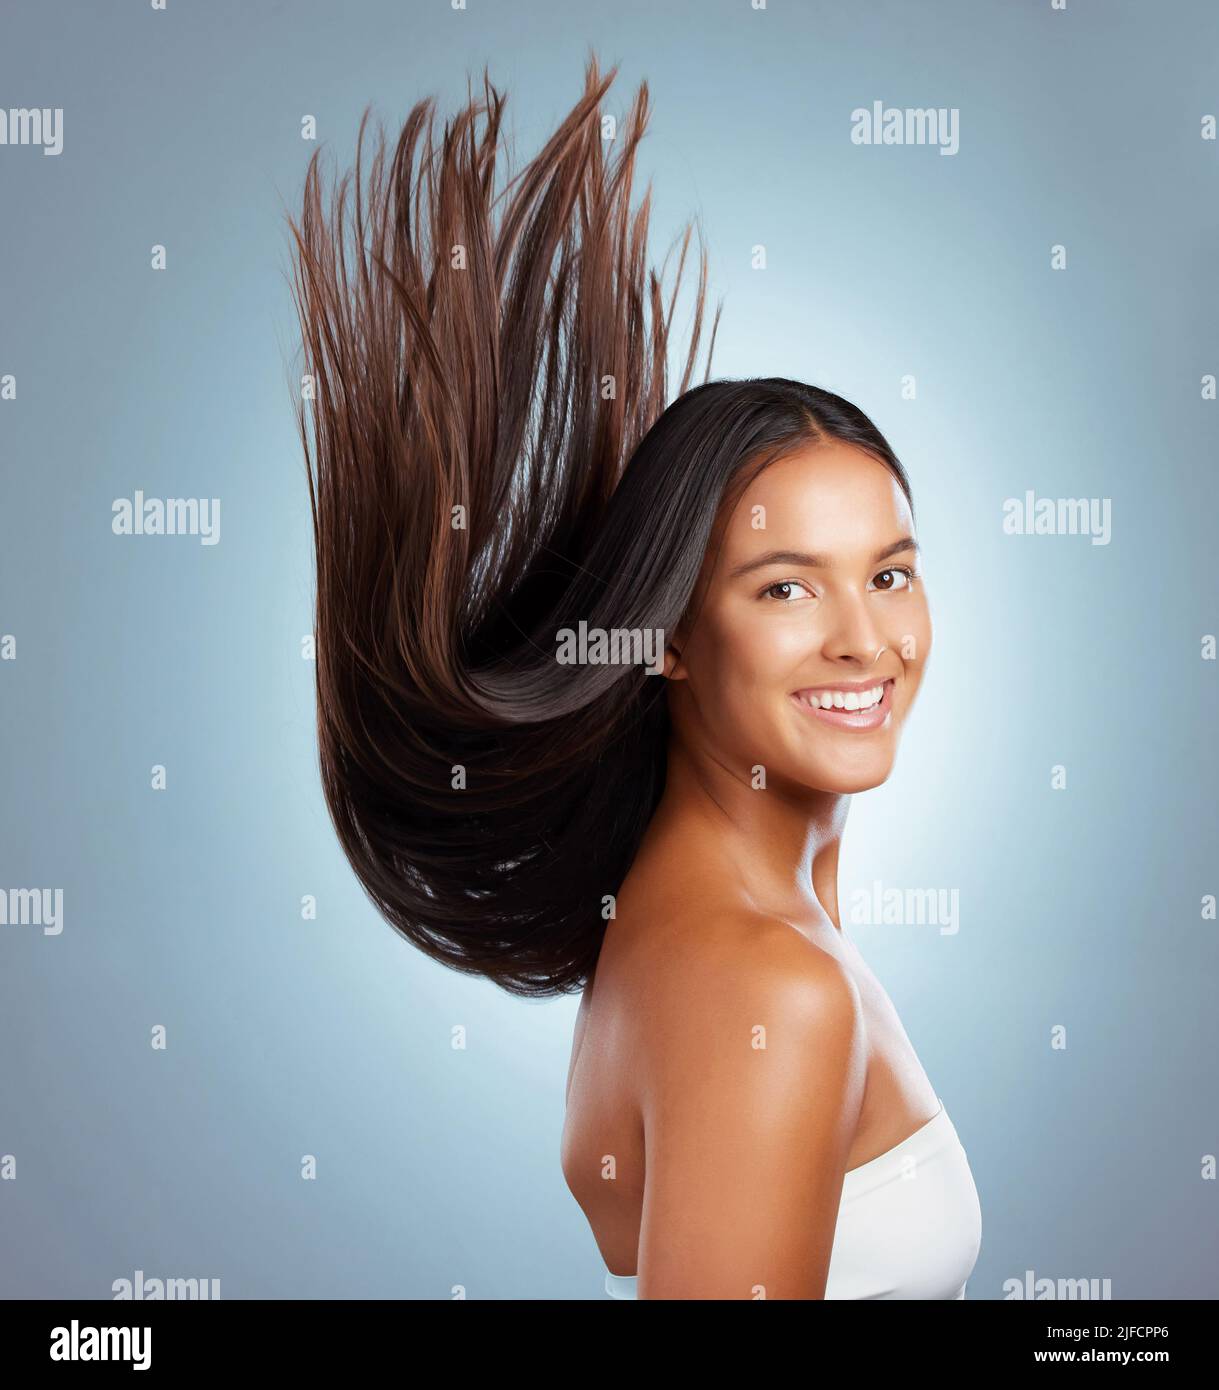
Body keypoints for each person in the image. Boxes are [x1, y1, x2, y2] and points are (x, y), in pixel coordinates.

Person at [287, 51, 981, 1301]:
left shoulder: (747, 891)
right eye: (783, 587)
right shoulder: (766, 978)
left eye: (888, 573)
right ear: (663, 634)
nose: (865, 642)